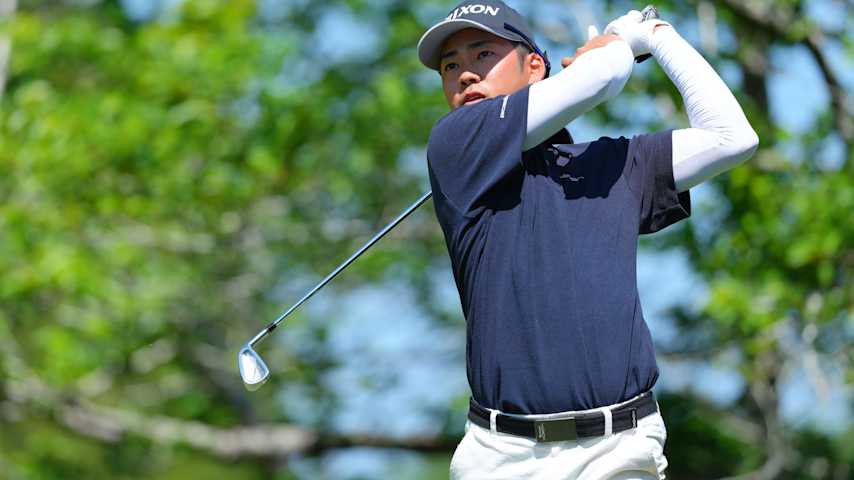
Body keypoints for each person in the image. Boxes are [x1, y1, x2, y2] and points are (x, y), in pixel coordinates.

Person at [416, 1, 758, 479]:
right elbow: (601, 78)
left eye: (483, 55)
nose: (466, 75)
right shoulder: (456, 146)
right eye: (450, 66)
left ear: (534, 66)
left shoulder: (612, 166)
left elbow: (731, 136)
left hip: (621, 450)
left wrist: (658, 36)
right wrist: (622, 41)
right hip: (502, 458)